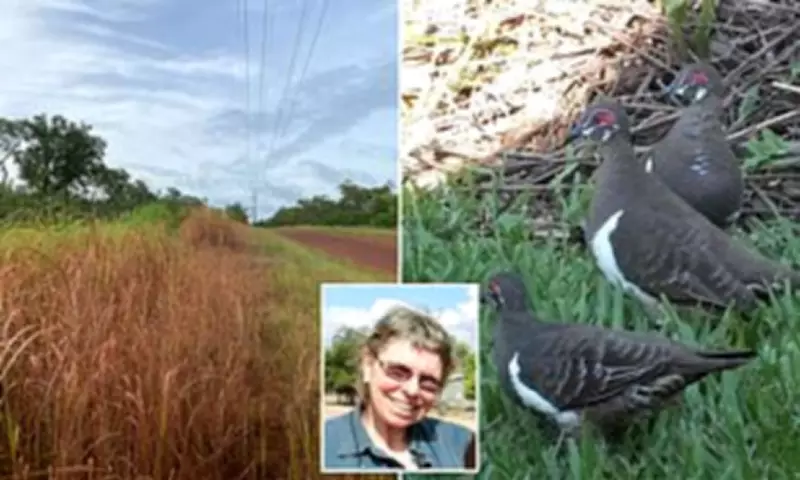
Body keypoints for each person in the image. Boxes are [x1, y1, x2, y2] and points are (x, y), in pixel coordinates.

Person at [324, 305, 476, 471]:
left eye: (428, 383)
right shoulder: (325, 444)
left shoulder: (463, 446)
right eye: (397, 372)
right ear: (367, 365)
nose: (412, 390)